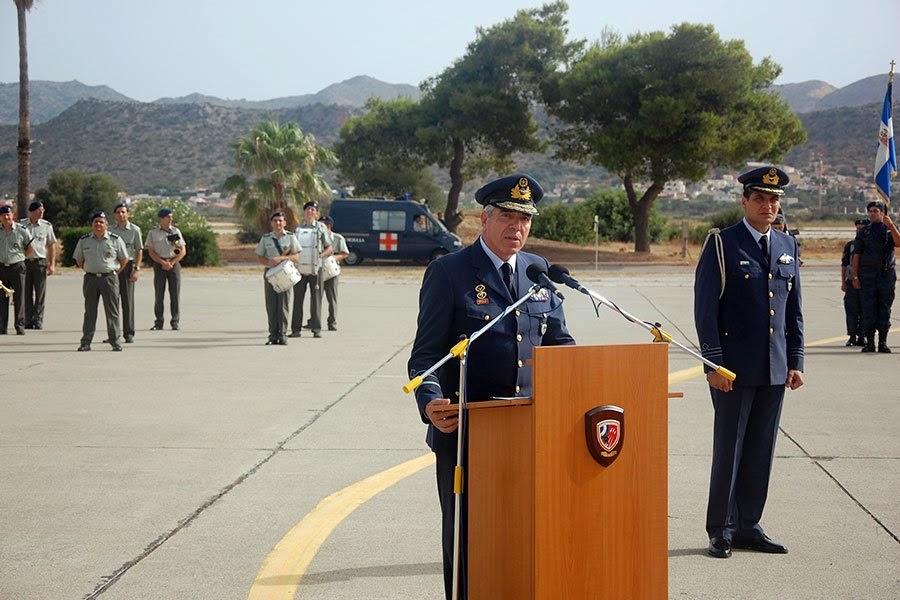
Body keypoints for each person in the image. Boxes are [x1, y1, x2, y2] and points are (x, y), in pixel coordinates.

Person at [407, 174, 574, 600]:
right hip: (466, 434)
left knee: (525, 539)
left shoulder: (538, 273)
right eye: (507, 216)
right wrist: (430, 402)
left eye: (525, 219)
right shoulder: (450, 272)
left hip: (531, 433)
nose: (516, 227)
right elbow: (426, 356)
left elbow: (561, 347)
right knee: (467, 543)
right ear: (484, 218)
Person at [694, 166, 804, 560]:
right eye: (760, 198)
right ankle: (721, 529)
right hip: (733, 372)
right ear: (744, 201)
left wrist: (796, 360)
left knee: (761, 450)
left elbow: (793, 313)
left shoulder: (787, 244)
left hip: (774, 369)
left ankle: (748, 526)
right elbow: (706, 311)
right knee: (731, 449)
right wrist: (714, 365)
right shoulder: (723, 244)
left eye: (774, 199)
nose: (768, 205)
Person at [73, 211, 128, 351]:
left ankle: (115, 341)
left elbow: (124, 259)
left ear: (107, 225)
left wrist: (113, 272)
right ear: (92, 224)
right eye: (96, 222)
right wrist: (90, 268)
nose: (98, 224)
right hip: (91, 279)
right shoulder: (84, 240)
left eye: (101, 222)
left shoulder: (115, 239)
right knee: (90, 311)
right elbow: (79, 260)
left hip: (109, 278)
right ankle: (86, 342)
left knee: (112, 311)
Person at [852, 200, 899, 353]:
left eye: (876, 211)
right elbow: (857, 255)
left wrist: (891, 226)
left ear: (883, 213)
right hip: (868, 276)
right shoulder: (864, 232)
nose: (872, 213)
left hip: (886, 275)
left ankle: (883, 342)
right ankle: (870, 342)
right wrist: (855, 276)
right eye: (870, 211)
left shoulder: (889, 230)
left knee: (884, 309)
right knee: (868, 309)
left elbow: (898, 243)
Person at [255, 210, 301, 345]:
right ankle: (273, 334)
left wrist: (281, 258)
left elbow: (297, 257)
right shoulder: (266, 238)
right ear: (271, 223)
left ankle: (282, 334)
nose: (278, 223)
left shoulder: (291, 238)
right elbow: (259, 256)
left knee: (284, 304)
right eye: (275, 221)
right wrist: (268, 262)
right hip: (270, 274)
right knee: (271, 304)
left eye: (280, 220)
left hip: (285, 274)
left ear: (285, 223)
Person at [289, 201, 332, 339]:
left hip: (316, 268)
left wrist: (320, 256)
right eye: (308, 209)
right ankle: (296, 329)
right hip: (300, 269)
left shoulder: (321, 228)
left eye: (313, 210)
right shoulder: (298, 229)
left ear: (316, 213)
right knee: (298, 299)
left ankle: (316, 328)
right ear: (304, 211)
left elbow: (329, 248)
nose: (310, 212)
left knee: (316, 300)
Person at [145, 207, 187, 331]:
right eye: (168, 217)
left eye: (171, 217)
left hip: (173, 264)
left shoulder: (175, 231)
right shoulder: (153, 233)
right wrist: (162, 262)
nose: (171, 219)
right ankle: (159, 322)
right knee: (159, 294)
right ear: (161, 218)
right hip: (160, 265)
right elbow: (151, 251)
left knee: (175, 294)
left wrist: (172, 262)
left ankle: (175, 321)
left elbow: (182, 250)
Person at [109, 202, 143, 343]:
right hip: (114, 266)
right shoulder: (110, 230)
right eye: (118, 212)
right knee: (112, 302)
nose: (121, 214)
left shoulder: (135, 230)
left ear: (128, 213)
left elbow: (139, 250)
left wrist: (136, 269)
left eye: (123, 212)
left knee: (127, 301)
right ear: (115, 215)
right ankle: (113, 333)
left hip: (128, 266)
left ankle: (128, 333)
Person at [20, 200, 56, 330]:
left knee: (40, 293)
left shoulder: (46, 226)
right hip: (24, 262)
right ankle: (28, 319)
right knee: (26, 292)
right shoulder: (21, 225)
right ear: (31, 212)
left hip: (40, 263)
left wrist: (52, 264)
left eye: (43, 210)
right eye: (38, 210)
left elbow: (51, 245)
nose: (41, 213)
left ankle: (38, 319)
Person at [0, 203, 34, 335]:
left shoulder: (21, 230)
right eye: (3, 215)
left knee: (19, 297)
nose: (6, 217)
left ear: (12, 216)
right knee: (2, 298)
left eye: (8, 214)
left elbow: (30, 248)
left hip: (17, 267)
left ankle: (19, 326)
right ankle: (2, 326)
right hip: (1, 268)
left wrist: (20, 257)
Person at [841, 219, 867, 346]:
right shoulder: (850, 245)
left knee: (865, 310)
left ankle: (862, 336)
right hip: (851, 281)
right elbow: (844, 264)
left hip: (867, 282)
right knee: (851, 310)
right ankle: (852, 336)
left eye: (862, 228)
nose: (860, 230)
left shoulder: (871, 244)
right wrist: (843, 282)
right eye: (858, 228)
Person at [319, 216, 349, 331]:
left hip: (332, 271)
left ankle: (332, 321)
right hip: (319, 269)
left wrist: (333, 258)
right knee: (316, 297)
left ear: (328, 226)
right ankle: (314, 320)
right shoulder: (317, 238)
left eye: (322, 225)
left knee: (332, 298)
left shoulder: (337, 238)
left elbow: (345, 253)